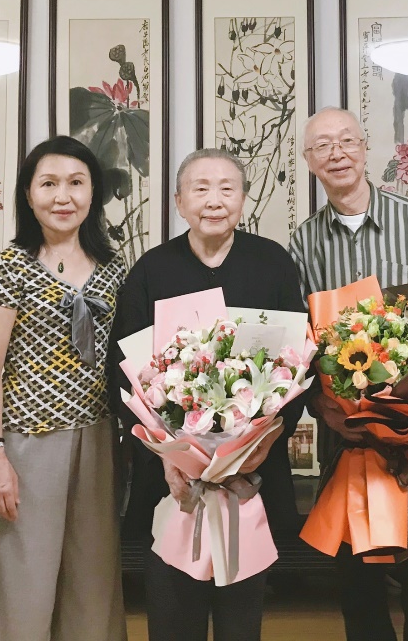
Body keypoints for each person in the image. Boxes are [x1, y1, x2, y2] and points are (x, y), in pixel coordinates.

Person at [289, 107, 408, 641]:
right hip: (351, 445)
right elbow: (300, 348)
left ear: (365, 148)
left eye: (347, 141)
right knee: (360, 595)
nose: (337, 153)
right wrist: (322, 405)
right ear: (309, 161)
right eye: (323, 146)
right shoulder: (303, 243)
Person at [114, 148, 306, 641]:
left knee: (242, 615)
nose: (214, 200)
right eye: (200, 189)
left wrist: (261, 444)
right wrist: (168, 457)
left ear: (243, 198)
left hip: (252, 472)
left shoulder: (273, 263)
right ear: (180, 202)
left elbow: (299, 362)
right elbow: (125, 375)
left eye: (226, 188)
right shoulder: (152, 269)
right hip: (171, 478)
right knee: (172, 612)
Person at [0, 136, 128, 641]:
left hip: (98, 436)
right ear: (28, 194)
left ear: (93, 194)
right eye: (49, 183)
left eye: (76, 183)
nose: (63, 196)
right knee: (21, 576)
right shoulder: (8, 266)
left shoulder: (115, 267)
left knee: (92, 577)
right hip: (25, 441)